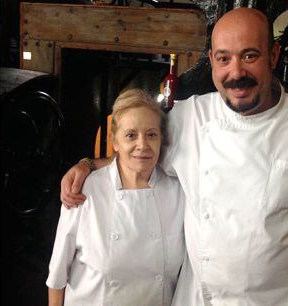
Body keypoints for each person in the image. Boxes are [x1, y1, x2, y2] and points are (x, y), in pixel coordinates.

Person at [60, 8, 288, 306]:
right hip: (200, 298)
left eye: (250, 56)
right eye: (224, 59)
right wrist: (87, 165)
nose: (236, 73)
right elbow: (139, 151)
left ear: (273, 56)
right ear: (211, 61)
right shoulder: (187, 117)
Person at [47, 89, 185, 306]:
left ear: (162, 140)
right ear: (115, 141)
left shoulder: (178, 193)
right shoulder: (86, 189)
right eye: (131, 135)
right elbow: (57, 272)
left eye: (151, 134)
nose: (143, 145)